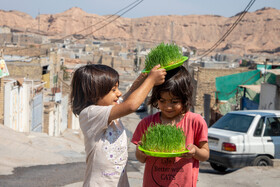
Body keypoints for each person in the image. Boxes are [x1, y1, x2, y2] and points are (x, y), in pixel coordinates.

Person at [70, 63, 166, 187]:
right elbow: (131, 105)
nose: (119, 93)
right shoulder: (90, 114)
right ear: (94, 93)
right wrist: (151, 80)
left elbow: (126, 97)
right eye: (113, 90)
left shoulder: (109, 107)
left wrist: (142, 79)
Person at [131, 66, 209, 187]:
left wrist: (195, 151)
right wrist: (142, 151)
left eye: (174, 101)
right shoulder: (146, 123)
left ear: (184, 98)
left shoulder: (195, 121)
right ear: (156, 99)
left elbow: (205, 154)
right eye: (162, 101)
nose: (168, 107)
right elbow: (141, 159)